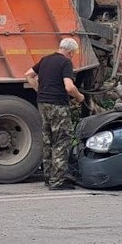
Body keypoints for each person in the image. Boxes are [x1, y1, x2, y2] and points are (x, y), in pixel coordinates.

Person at [24, 37, 86, 190]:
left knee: (48, 140)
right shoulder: (65, 62)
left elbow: (28, 75)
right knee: (61, 140)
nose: (72, 56)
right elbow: (69, 87)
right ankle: (57, 181)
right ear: (70, 51)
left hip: (43, 104)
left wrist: (40, 90)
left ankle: (48, 177)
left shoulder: (45, 60)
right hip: (57, 105)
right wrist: (79, 97)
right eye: (73, 53)